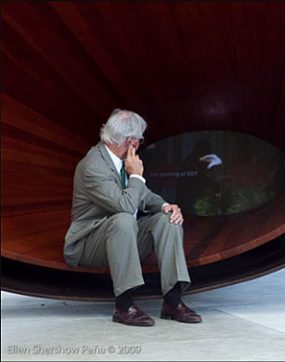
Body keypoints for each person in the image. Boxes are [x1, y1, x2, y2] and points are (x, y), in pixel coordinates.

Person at [63, 108, 202, 326]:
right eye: (139, 139)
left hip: (121, 238)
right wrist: (136, 174)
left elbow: (144, 196)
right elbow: (125, 205)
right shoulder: (93, 166)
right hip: (89, 243)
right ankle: (124, 305)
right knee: (123, 218)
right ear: (131, 142)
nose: (140, 144)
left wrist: (167, 206)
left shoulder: (121, 162)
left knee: (168, 221)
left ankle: (173, 302)